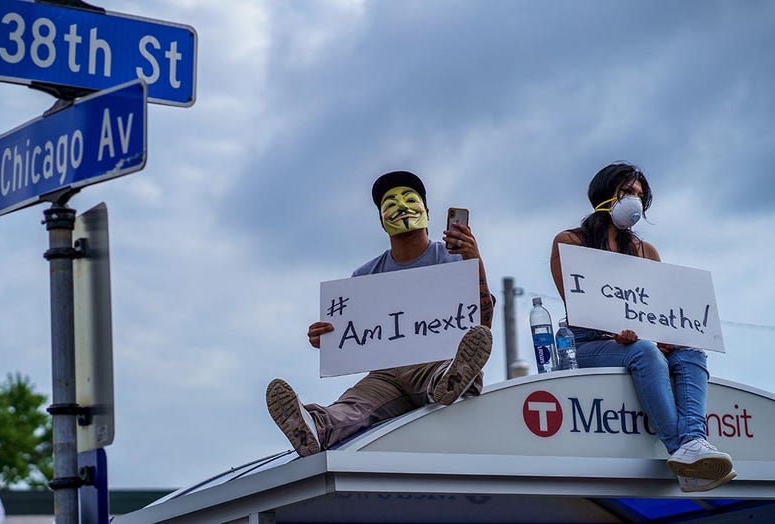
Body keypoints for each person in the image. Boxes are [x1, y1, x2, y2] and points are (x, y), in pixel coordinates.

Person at [266, 170, 495, 457]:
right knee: (353, 406)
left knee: (442, 373)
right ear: (381, 220)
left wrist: (474, 260)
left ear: (427, 212)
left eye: (410, 199)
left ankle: (453, 379)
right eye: (391, 202)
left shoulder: (451, 257)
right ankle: (314, 426)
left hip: (435, 360)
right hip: (387, 374)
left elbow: (482, 324)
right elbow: (354, 337)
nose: (401, 207)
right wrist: (326, 338)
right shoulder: (364, 276)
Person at [549, 161, 735, 493]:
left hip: (641, 340)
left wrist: (668, 335)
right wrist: (619, 332)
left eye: (639, 194)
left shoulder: (646, 251)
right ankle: (681, 450)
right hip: (589, 343)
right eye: (626, 192)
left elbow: (658, 310)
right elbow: (582, 306)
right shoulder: (570, 241)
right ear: (606, 195)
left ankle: (694, 442)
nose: (634, 199)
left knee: (690, 350)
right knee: (645, 351)